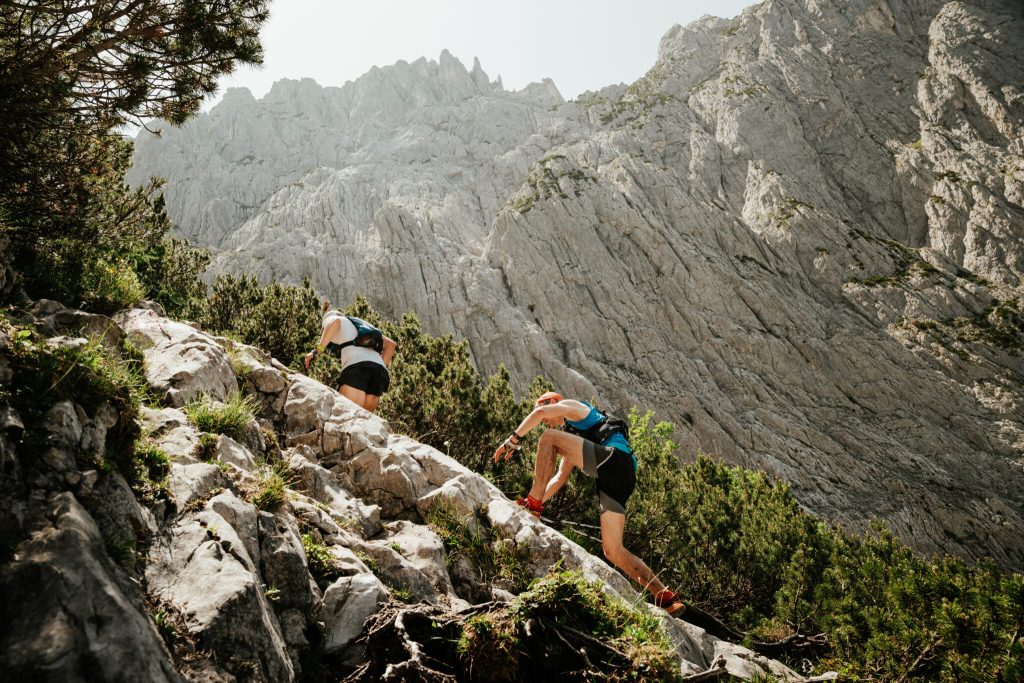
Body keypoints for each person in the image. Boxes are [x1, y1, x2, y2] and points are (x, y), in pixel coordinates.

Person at [493, 391, 686, 615]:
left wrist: (512, 441)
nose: (544, 419)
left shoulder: (574, 407)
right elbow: (557, 480)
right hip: (620, 477)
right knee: (613, 550)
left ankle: (532, 505)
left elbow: (542, 413)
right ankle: (664, 596)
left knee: (547, 437)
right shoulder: (571, 437)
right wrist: (529, 503)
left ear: (554, 403)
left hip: (614, 458)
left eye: (543, 410)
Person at [304, 304, 397, 413]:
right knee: (364, 420)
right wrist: (375, 365)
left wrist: (317, 352)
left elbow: (335, 322)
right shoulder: (362, 326)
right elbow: (391, 345)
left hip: (358, 368)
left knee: (347, 415)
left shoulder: (334, 318)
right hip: (379, 372)